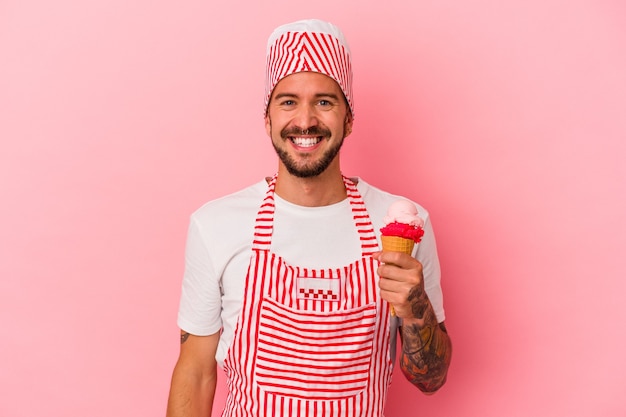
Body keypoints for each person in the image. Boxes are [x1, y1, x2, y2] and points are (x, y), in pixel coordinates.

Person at [166, 19, 452, 417]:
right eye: (287, 101)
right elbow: (196, 372)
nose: (304, 121)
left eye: (324, 101)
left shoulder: (403, 223)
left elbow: (431, 380)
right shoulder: (215, 225)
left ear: (349, 119)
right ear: (267, 119)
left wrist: (416, 305)